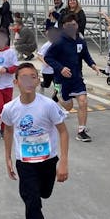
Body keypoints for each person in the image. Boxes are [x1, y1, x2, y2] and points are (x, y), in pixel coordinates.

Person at [1, 63, 70, 219]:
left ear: (38, 80)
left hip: (48, 160)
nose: (29, 81)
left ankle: (38, 192)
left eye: (33, 77)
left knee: (45, 193)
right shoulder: (10, 108)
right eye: (24, 78)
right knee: (32, 201)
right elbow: (7, 131)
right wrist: (7, 158)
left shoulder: (48, 105)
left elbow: (63, 131)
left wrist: (64, 162)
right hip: (26, 162)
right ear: (16, 82)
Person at [45, 12, 102, 142]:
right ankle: (57, 96)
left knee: (83, 101)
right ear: (64, 26)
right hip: (62, 79)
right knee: (69, 107)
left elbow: (85, 55)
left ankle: (81, 131)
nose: (72, 26)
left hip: (76, 77)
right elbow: (48, 57)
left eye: (74, 24)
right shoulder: (59, 41)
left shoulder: (80, 40)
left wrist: (93, 65)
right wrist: (61, 68)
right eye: (69, 25)